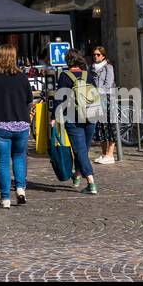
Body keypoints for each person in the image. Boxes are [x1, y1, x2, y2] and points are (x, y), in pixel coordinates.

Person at [0, 44, 35, 208]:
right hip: (22, 124)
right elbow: (29, 100)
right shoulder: (22, 77)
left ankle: (5, 198)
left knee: (3, 163)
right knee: (19, 157)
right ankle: (20, 189)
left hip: (1, 125)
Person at [53, 50, 101, 195]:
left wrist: (53, 117)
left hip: (73, 118)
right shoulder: (88, 75)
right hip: (92, 116)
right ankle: (78, 175)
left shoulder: (65, 76)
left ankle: (91, 183)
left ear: (68, 61)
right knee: (83, 150)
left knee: (80, 150)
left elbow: (59, 98)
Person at [90, 46, 118, 164]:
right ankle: (103, 153)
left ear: (103, 56)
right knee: (100, 127)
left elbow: (108, 84)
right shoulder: (91, 68)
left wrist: (96, 92)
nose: (96, 56)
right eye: (94, 54)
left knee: (109, 126)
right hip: (96, 100)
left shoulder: (108, 67)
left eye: (98, 54)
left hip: (107, 99)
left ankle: (110, 154)